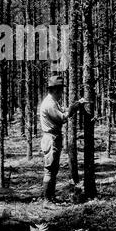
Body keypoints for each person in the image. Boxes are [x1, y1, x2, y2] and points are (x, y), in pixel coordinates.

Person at [40, 75, 87, 207]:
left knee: (53, 170)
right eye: (60, 90)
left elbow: (64, 112)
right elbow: (63, 118)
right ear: (55, 89)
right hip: (51, 138)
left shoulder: (54, 101)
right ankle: (47, 201)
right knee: (49, 170)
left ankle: (51, 197)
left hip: (54, 137)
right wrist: (73, 108)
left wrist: (75, 106)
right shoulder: (49, 103)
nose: (62, 93)